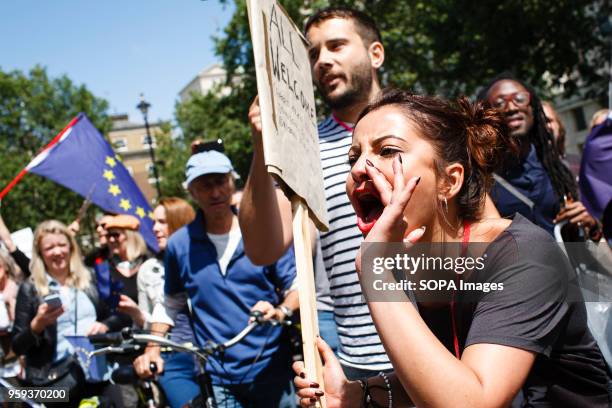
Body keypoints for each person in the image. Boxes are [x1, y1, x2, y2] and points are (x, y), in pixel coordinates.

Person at [293, 89, 611, 407]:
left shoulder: (522, 254)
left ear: (449, 181)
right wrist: (355, 394)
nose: (359, 168)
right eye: (354, 157)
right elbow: (444, 375)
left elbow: (471, 400)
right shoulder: (410, 261)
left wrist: (375, 272)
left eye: (387, 150)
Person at [241, 6, 390, 379]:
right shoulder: (304, 148)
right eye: (313, 53)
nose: (323, 61)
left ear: (376, 54)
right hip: (357, 362)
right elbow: (263, 248)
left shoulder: (425, 125)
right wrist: (264, 146)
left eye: (337, 46)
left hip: (438, 346)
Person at [134, 150, 298, 407]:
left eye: (221, 181)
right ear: (191, 191)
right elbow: (171, 303)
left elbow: (296, 286)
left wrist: (280, 310)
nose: (215, 192)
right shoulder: (180, 244)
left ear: (233, 182)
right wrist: (152, 348)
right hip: (220, 376)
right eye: (204, 185)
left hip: (272, 370)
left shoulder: (260, 230)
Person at [11, 220, 124, 407]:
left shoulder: (92, 278)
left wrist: (105, 325)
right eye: (49, 247)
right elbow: (17, 347)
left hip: (99, 373)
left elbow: (121, 315)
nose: (57, 252)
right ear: (40, 253)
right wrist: (37, 325)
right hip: (54, 383)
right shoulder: (30, 289)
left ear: (71, 247)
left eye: (62, 245)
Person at [477, 74, 601, 240]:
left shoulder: (561, 169)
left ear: (533, 108)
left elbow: (592, 234)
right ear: (488, 115)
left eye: (520, 98)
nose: (512, 107)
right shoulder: (480, 180)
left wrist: (591, 224)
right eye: (499, 103)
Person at [138, 197, 199, 408]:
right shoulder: (148, 270)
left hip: (212, 352)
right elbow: (149, 321)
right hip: (173, 357)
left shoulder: (204, 259)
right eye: (154, 222)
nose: (155, 228)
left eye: (162, 222)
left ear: (180, 222)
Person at [104, 214, 151, 328]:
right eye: (108, 235)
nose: (111, 239)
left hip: (149, 333)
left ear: (131, 236)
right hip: (116, 336)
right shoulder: (105, 268)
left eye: (115, 235)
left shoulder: (150, 265)